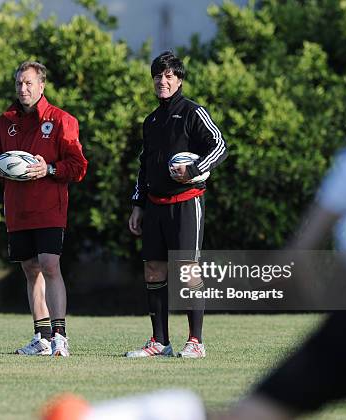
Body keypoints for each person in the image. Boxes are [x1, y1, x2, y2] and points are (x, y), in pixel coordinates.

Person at [40, 111, 346, 419]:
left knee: (250, 414)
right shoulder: (154, 120)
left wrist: (300, 253)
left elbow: (344, 180)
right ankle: (144, 368)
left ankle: (101, 414)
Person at [127, 51, 227, 358]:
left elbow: (219, 145)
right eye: (158, 76)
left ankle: (195, 341)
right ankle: (160, 342)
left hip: (186, 203)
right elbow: (144, 166)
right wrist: (138, 204)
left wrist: (193, 170)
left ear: (179, 79)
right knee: (154, 270)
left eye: (169, 76)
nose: (163, 81)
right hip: (154, 206)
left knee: (187, 269)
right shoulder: (151, 120)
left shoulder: (193, 112)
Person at [0, 61, 87, 357]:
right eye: (19, 83)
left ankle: (60, 336)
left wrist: (50, 168)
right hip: (18, 210)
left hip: (49, 207)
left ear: (41, 86)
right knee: (31, 270)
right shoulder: (5, 121)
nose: (23, 88)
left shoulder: (60, 120)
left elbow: (78, 166)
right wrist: (1, 168)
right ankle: (41, 337)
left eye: (29, 83)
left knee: (49, 265)